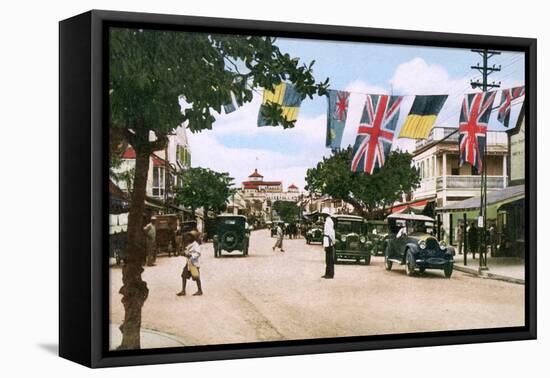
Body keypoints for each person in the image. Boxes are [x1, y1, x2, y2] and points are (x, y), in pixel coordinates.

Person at [177, 230, 203, 296]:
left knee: (196, 277)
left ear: (193, 237)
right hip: (189, 263)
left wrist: (191, 255)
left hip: (194, 264)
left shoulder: (195, 245)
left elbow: (198, 253)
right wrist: (183, 253)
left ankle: (200, 290)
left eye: (190, 236)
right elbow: (187, 252)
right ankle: (183, 290)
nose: (188, 237)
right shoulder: (189, 245)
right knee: (183, 276)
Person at [321, 207, 335, 279]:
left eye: (323, 214)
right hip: (327, 240)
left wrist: (332, 240)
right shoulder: (327, 221)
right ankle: (327, 273)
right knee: (327, 258)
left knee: (329, 258)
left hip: (329, 240)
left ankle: (330, 274)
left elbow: (331, 232)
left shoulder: (329, 221)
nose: (323, 216)